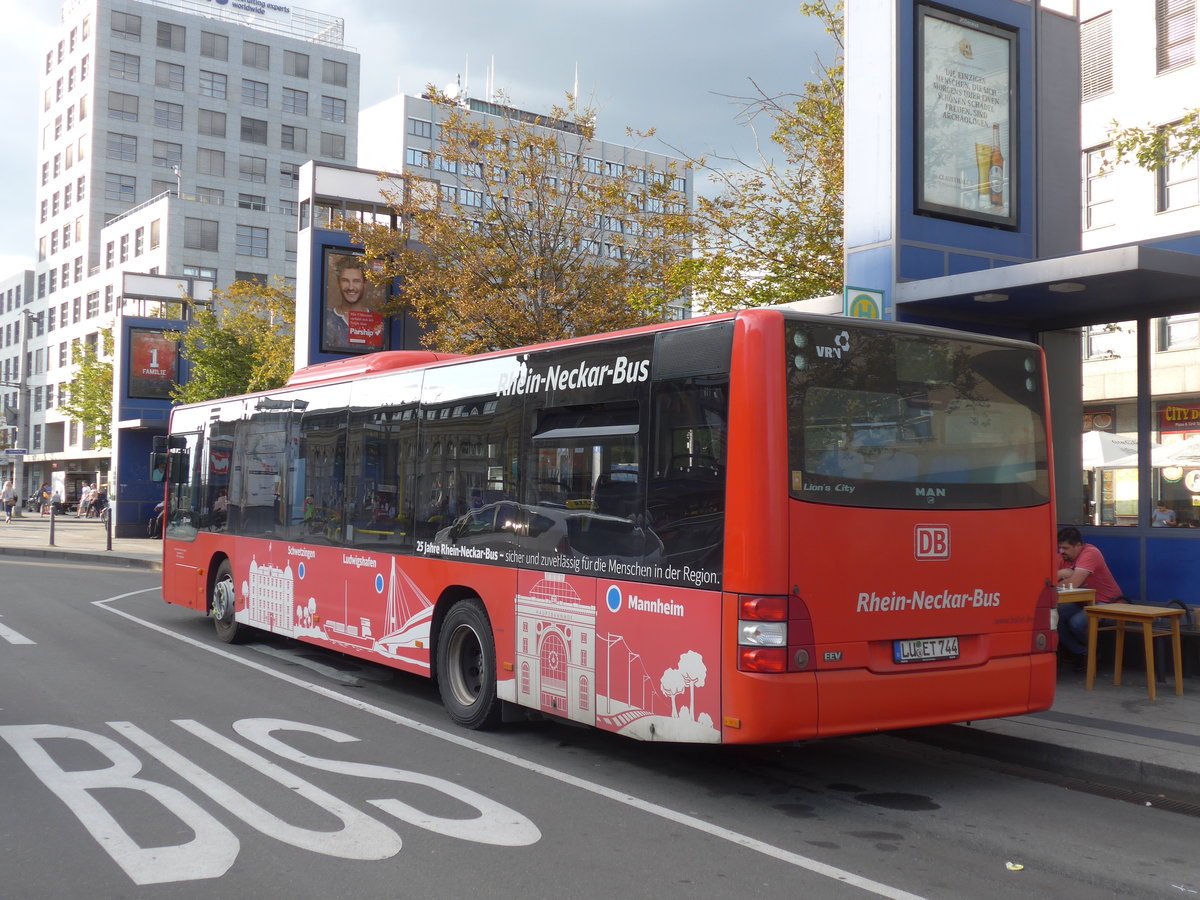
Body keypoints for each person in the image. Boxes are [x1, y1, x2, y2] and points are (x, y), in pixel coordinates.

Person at [1056, 526, 1128, 660]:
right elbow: (1045, 580)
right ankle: (1082, 653)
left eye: (1065, 548)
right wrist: (1059, 574)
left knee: (1077, 622)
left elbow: (1073, 584)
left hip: (1108, 602)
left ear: (1078, 545)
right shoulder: (1062, 557)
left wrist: (1057, 578)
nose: (1061, 551)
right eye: (1059, 547)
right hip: (1082, 602)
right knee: (1055, 617)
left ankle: (1093, 653)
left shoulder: (1090, 553)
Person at [323, 257, 382, 351]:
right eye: (345, 281)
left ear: (364, 284)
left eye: (356, 281)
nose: (351, 287)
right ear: (338, 283)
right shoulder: (326, 320)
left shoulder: (378, 323)